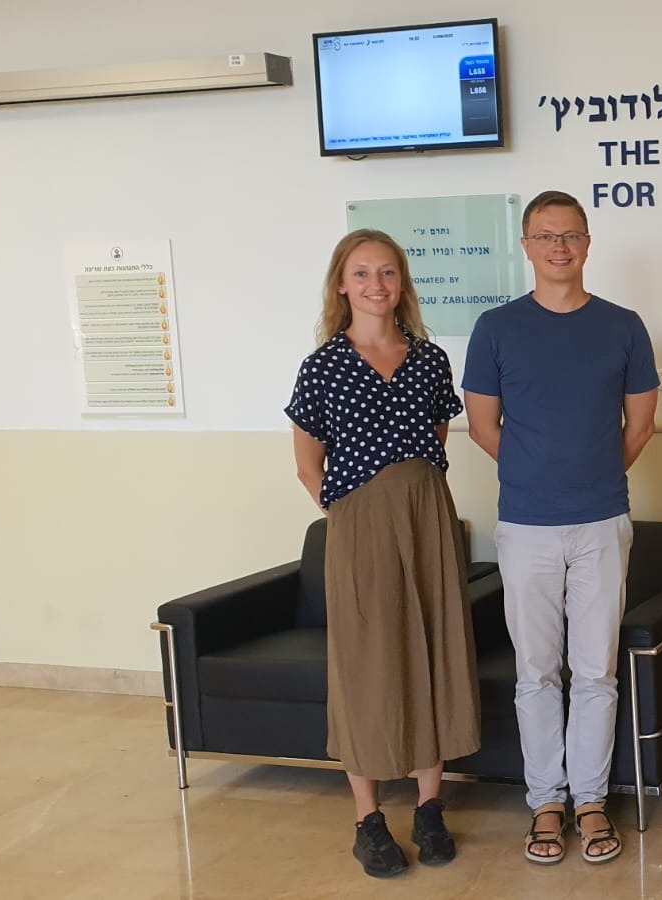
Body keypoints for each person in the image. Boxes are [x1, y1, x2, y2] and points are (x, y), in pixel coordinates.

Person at [463, 190, 659, 865]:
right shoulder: (496, 328)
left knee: (596, 671)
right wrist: (537, 474)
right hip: (526, 526)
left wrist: (591, 476)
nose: (560, 247)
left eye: (571, 235)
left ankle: (591, 802)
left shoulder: (623, 326)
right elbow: (482, 426)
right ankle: (546, 802)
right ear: (527, 246)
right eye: (546, 236)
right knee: (537, 673)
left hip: (602, 520)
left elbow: (641, 425)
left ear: (587, 243)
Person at [285, 229, 481, 878]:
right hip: (359, 523)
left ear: (402, 284)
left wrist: (408, 503)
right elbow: (308, 465)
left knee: (435, 648)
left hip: (427, 514)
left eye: (388, 272)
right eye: (363, 273)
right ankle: (368, 821)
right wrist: (354, 518)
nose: (377, 284)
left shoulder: (430, 360)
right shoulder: (322, 367)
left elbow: (435, 438)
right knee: (367, 662)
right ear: (342, 285)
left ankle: (429, 808)